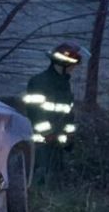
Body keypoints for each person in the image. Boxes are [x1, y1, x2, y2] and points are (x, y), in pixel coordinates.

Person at [23, 42, 83, 182]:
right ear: (62, 64)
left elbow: (67, 112)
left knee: (55, 178)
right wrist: (48, 134)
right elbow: (35, 112)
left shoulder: (64, 83)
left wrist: (69, 134)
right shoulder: (40, 82)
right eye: (72, 65)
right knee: (40, 178)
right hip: (42, 143)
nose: (74, 69)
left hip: (57, 142)